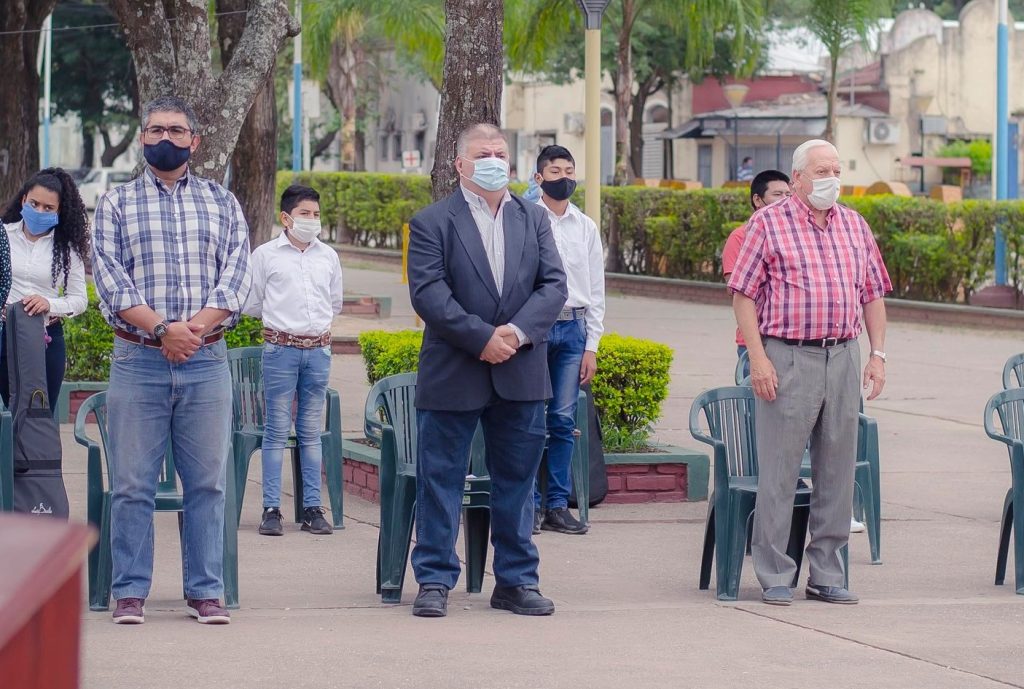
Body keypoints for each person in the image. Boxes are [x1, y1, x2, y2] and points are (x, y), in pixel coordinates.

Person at [92, 95, 251, 625]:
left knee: (207, 483)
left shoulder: (222, 203)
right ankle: (130, 592)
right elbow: (110, 280)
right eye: (156, 129)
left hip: (206, 363)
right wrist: (162, 330)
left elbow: (236, 278)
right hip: (138, 362)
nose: (166, 138)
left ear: (195, 140)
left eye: (177, 130)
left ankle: (206, 591)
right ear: (142, 138)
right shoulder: (115, 203)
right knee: (133, 483)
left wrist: (192, 331)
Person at [406, 123, 567, 618]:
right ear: (460, 164)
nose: (495, 159)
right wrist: (482, 338)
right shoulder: (432, 221)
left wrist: (514, 336)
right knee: (440, 479)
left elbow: (554, 285)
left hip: (520, 371)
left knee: (517, 481)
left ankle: (516, 581)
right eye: (484, 153)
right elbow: (429, 294)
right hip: (455, 369)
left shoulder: (534, 219)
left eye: (501, 152)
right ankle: (434, 578)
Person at [727, 139, 891, 607]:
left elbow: (874, 294)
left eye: (837, 169)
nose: (831, 178)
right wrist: (758, 359)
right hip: (787, 356)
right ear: (797, 178)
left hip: (842, 355)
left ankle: (826, 573)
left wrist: (878, 354)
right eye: (821, 170)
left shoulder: (855, 226)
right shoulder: (768, 224)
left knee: (837, 469)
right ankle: (775, 572)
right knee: (779, 470)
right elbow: (743, 295)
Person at [243, 184, 343, 537]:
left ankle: (313, 509)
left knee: (310, 431)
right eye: (304, 214)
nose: (312, 220)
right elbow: (252, 303)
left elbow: (334, 303)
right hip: (280, 351)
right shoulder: (266, 255)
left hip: (318, 351)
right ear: (286, 218)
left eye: (316, 214)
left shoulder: (328, 256)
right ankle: (272, 509)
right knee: (276, 430)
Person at [531, 145, 605, 536]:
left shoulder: (585, 226)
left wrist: (592, 344)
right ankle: (528, 506)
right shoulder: (525, 218)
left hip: (573, 330)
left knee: (562, 420)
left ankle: (557, 505)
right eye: (555, 171)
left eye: (569, 170)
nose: (564, 178)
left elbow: (596, 288)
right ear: (539, 178)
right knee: (527, 419)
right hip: (535, 330)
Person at [0, 168, 89, 415]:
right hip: (5, 336)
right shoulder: (3, 236)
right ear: (23, 201)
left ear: (60, 211)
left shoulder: (67, 249)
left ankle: (36, 456)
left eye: (48, 208)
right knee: (10, 413)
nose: (39, 211)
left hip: (47, 339)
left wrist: (49, 304)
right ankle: (8, 456)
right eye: (34, 203)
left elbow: (79, 299)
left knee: (39, 414)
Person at [721, 169, 791, 377]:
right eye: (777, 195)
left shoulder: (795, 236)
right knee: (756, 405)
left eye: (788, 195)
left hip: (791, 343)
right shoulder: (740, 237)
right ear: (758, 200)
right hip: (756, 341)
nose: (785, 200)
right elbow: (738, 291)